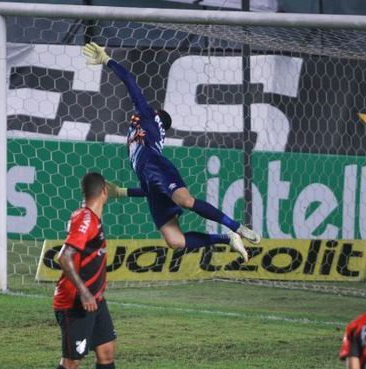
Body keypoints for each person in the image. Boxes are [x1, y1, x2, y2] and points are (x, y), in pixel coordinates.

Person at [81, 42, 261, 262]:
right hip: (149, 178)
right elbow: (152, 189)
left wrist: (108, 60)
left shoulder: (148, 119)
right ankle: (228, 238)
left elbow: (130, 83)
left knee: (185, 200)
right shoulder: (147, 137)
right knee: (175, 241)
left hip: (157, 168)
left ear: (156, 117)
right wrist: (121, 191)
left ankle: (237, 226)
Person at [53, 172, 116, 369]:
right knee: (72, 361)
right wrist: (85, 292)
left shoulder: (91, 219)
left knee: (106, 352)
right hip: (76, 302)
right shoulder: (85, 219)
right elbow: (64, 256)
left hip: (95, 300)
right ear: (104, 191)